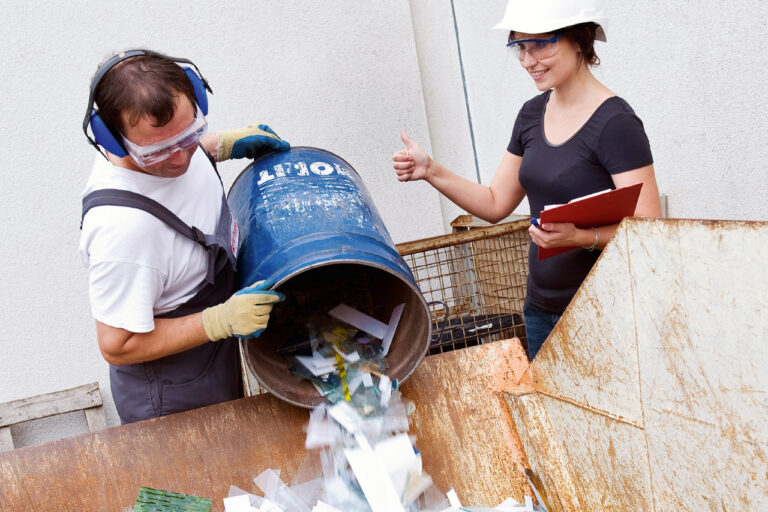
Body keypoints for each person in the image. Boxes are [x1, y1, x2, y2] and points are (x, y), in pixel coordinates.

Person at [392, 1, 661, 360]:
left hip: (603, 310)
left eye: (541, 45)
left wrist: (582, 237)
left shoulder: (616, 123)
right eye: (520, 47)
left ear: (579, 41)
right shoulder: (531, 115)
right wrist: (431, 171)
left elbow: (650, 226)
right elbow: (494, 203)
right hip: (539, 310)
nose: (528, 60)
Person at [79, 49, 288, 423]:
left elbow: (177, 155)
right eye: (157, 151)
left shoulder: (172, 150)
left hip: (211, 359)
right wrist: (217, 321)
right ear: (112, 141)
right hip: (171, 396)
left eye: (190, 134)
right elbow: (116, 345)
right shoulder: (122, 232)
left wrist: (216, 146)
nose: (179, 160)